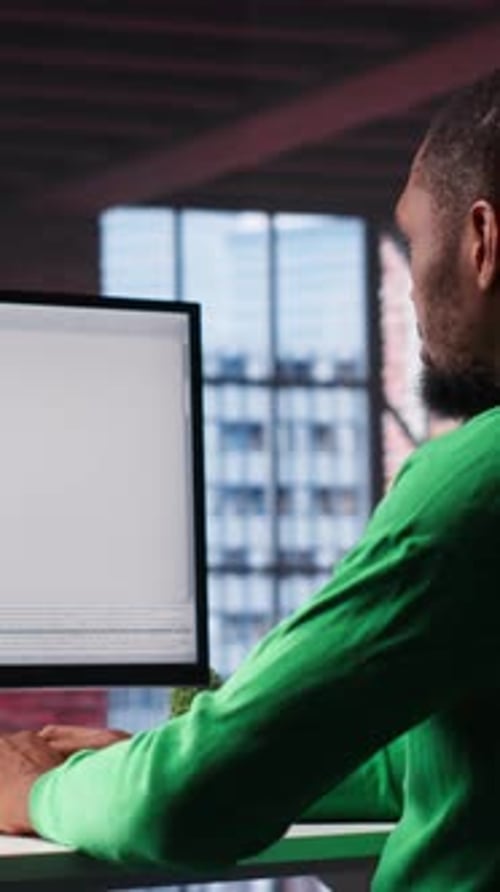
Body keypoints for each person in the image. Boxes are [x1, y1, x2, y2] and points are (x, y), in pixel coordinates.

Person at [2, 68, 500, 891]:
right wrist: (167, 760)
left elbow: (187, 808)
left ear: (483, 241)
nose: (412, 282)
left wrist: (37, 790)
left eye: (414, 240)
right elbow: (427, 757)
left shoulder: (477, 482)